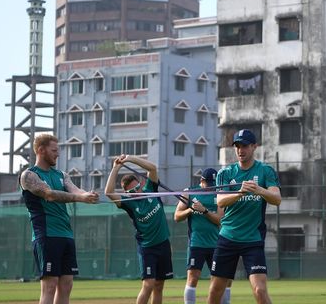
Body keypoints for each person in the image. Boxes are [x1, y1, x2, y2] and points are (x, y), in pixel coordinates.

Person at [19, 134, 99, 304]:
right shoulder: (29, 175)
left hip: (66, 235)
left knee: (66, 285)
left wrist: (86, 195)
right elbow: (49, 195)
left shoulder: (62, 175)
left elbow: (74, 190)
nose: (58, 154)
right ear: (41, 150)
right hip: (47, 235)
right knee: (50, 286)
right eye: (54, 150)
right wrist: (80, 198)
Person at [207, 129, 281, 304]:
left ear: (254, 147)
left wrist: (258, 189)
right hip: (227, 238)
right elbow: (221, 202)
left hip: (252, 240)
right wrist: (240, 192)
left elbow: (277, 199)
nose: (241, 150)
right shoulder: (225, 173)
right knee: (215, 291)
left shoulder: (265, 171)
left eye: (245, 146)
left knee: (260, 290)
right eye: (237, 146)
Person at [105, 155, 174, 304]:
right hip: (147, 248)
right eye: (131, 192)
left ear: (141, 183)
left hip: (163, 244)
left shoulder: (151, 188)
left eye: (137, 188)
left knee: (159, 286)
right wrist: (116, 167)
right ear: (127, 194)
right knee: (148, 284)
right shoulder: (128, 203)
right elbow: (108, 192)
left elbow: (152, 168)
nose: (136, 192)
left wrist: (129, 159)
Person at [174, 168, 232, 304]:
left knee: (222, 280)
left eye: (214, 183)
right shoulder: (189, 192)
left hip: (216, 244)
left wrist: (204, 211)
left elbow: (220, 220)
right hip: (196, 243)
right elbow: (177, 216)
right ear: (202, 181)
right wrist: (190, 209)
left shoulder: (219, 195)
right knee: (193, 278)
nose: (211, 186)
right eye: (209, 183)